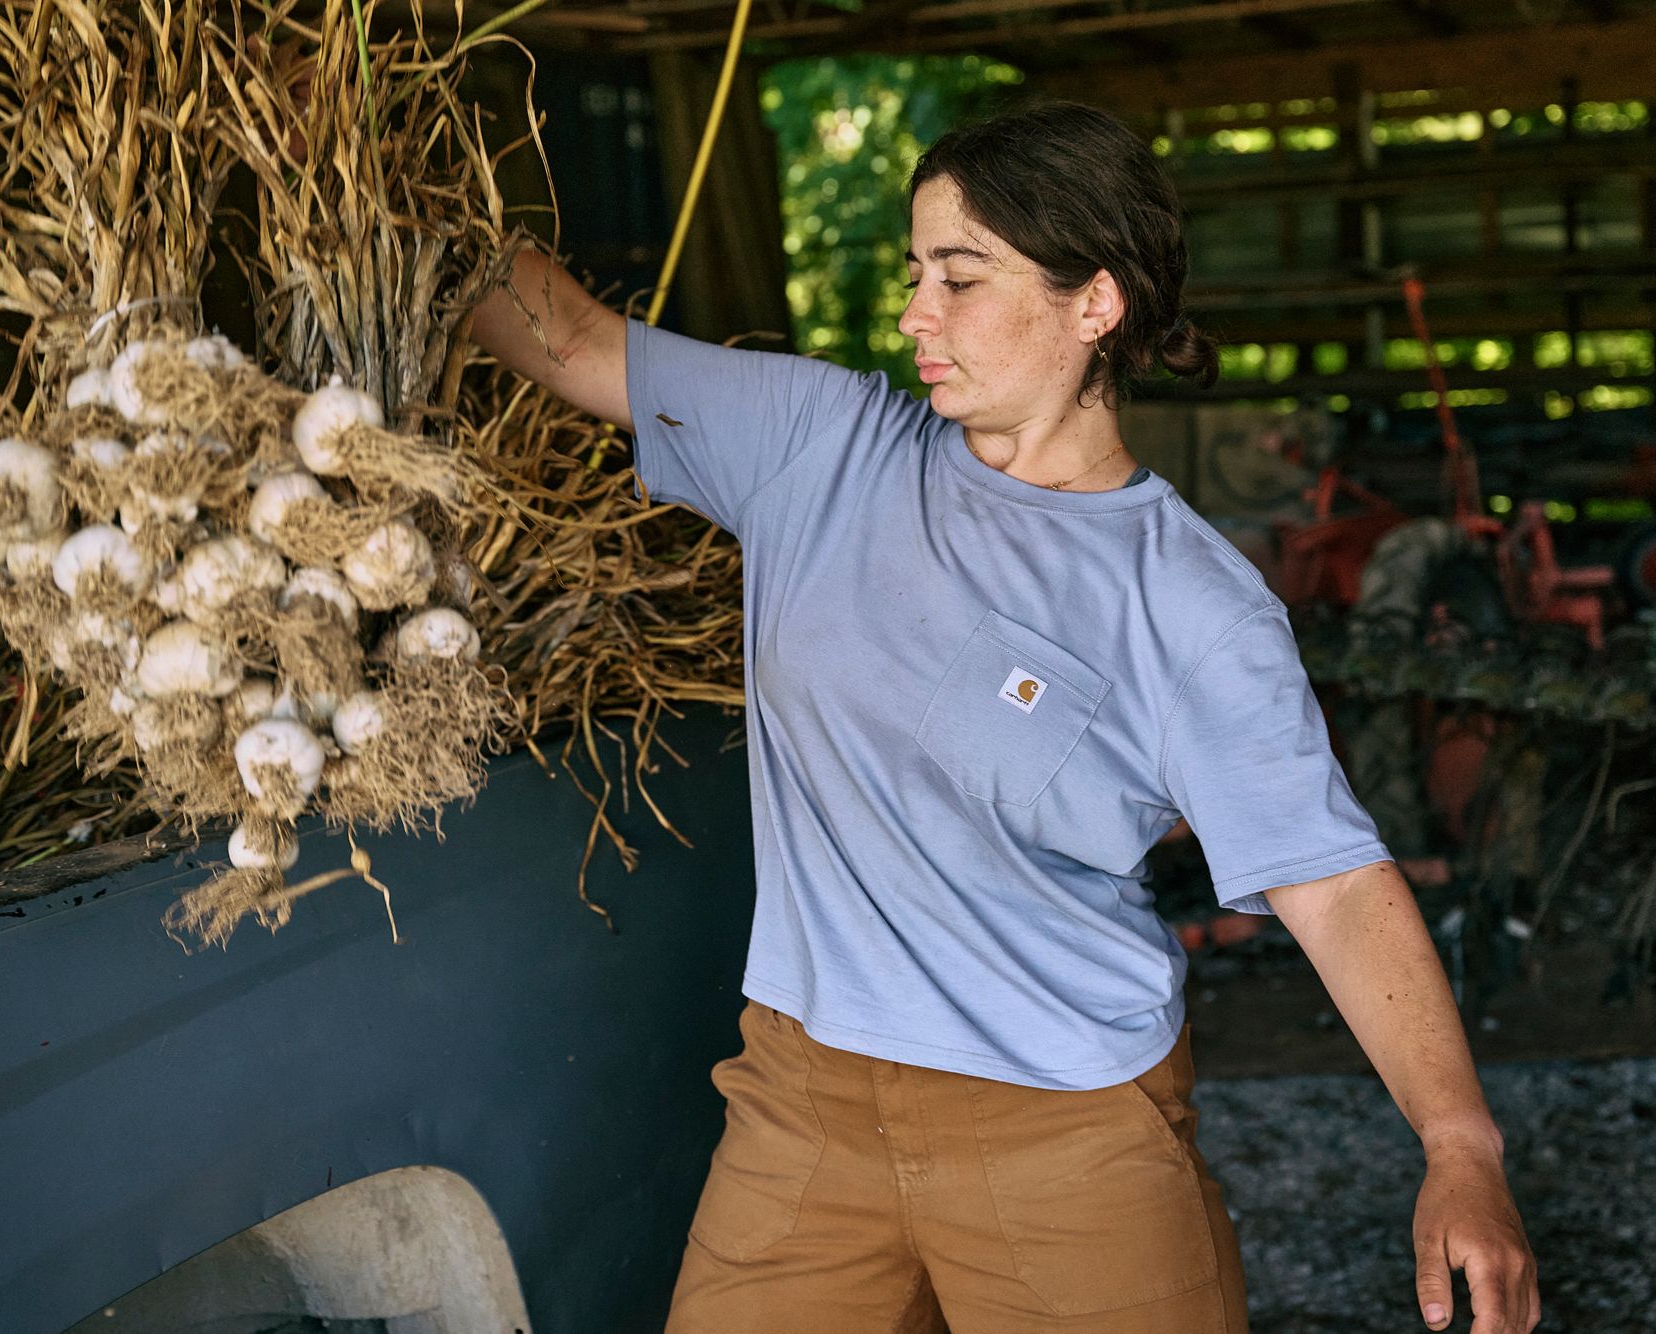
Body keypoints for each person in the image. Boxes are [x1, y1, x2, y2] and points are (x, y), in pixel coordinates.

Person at [469, 99, 1538, 1334]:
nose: (914, 312)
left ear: (1097, 302)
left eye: (960, 278)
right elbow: (570, 342)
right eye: (915, 272)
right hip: (802, 1109)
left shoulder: (1183, 599)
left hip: (1066, 1130)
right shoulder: (818, 447)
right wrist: (409, 195)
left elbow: (1336, 885)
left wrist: (1460, 1145)